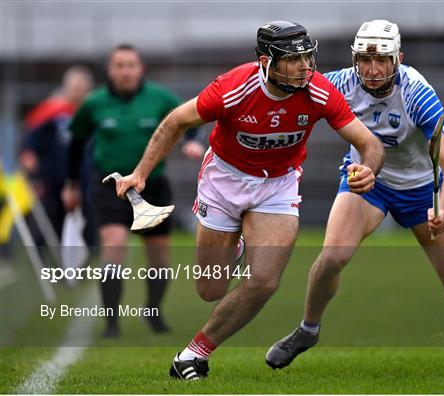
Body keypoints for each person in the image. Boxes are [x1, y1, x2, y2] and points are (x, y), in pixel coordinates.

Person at [114, 20, 384, 380]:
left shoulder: (318, 91)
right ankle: (237, 243)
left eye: (308, 56)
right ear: (265, 61)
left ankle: (192, 355)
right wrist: (140, 172)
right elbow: (176, 121)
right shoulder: (233, 88)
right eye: (293, 59)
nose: (305, 66)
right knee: (210, 289)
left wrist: (369, 168)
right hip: (224, 181)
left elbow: (370, 144)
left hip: (278, 185)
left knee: (264, 281)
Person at [265, 20, 444, 368]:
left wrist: (443, 208)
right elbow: (286, 92)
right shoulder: (339, 84)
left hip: (422, 192)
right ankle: (308, 329)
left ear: (398, 59)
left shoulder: (417, 93)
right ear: (354, 60)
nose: (373, 69)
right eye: (364, 60)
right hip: (369, 185)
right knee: (332, 257)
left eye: (382, 59)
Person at [62, 44, 205, 337]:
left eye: (131, 65)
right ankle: (112, 323)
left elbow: (190, 120)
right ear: (109, 70)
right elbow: (76, 144)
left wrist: (194, 141)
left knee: (160, 259)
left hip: (153, 186)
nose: (125, 71)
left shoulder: (160, 98)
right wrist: (72, 184)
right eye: (119, 65)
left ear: (141, 68)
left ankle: (153, 310)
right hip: (109, 185)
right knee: (113, 247)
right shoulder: (95, 103)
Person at [20, 66, 94, 243]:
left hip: (85, 175)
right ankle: (48, 260)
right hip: (54, 175)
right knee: (51, 217)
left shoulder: (93, 111)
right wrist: (28, 153)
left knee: (86, 219)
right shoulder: (52, 109)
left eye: (82, 87)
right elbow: (31, 134)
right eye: (74, 87)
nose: (78, 91)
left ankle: (84, 259)